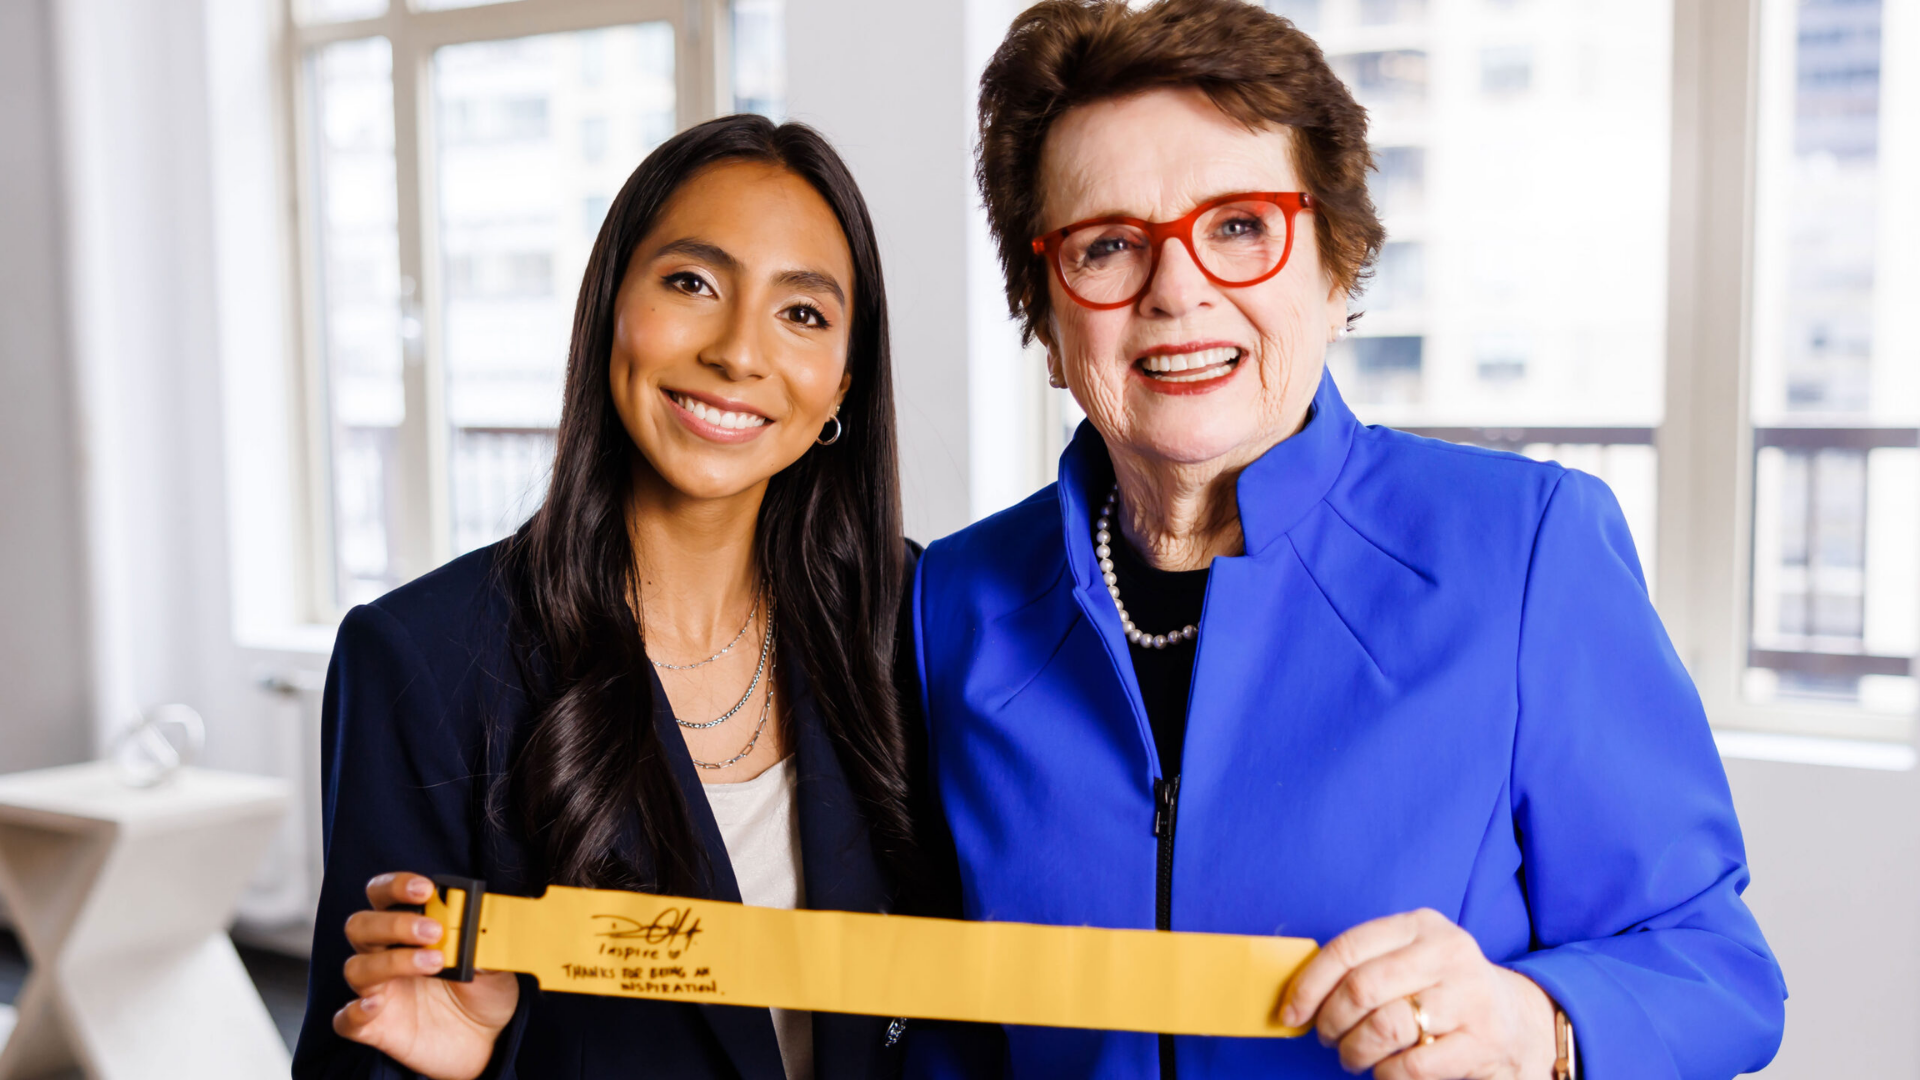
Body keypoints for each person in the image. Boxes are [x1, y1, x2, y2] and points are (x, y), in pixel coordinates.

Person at [912, 2, 1787, 1078]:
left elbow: (1717, 972)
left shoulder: (1525, 549)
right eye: (1107, 246)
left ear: (1336, 268)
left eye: (1239, 226)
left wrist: (1536, 1021)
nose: (1178, 291)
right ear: (1047, 320)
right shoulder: (951, 601)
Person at [294, 114, 945, 1080]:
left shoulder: (913, 618)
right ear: (610, 307)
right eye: (692, 284)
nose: (738, 350)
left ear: (841, 384)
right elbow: (361, 1055)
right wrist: (474, 1057)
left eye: (801, 313)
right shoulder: (419, 659)